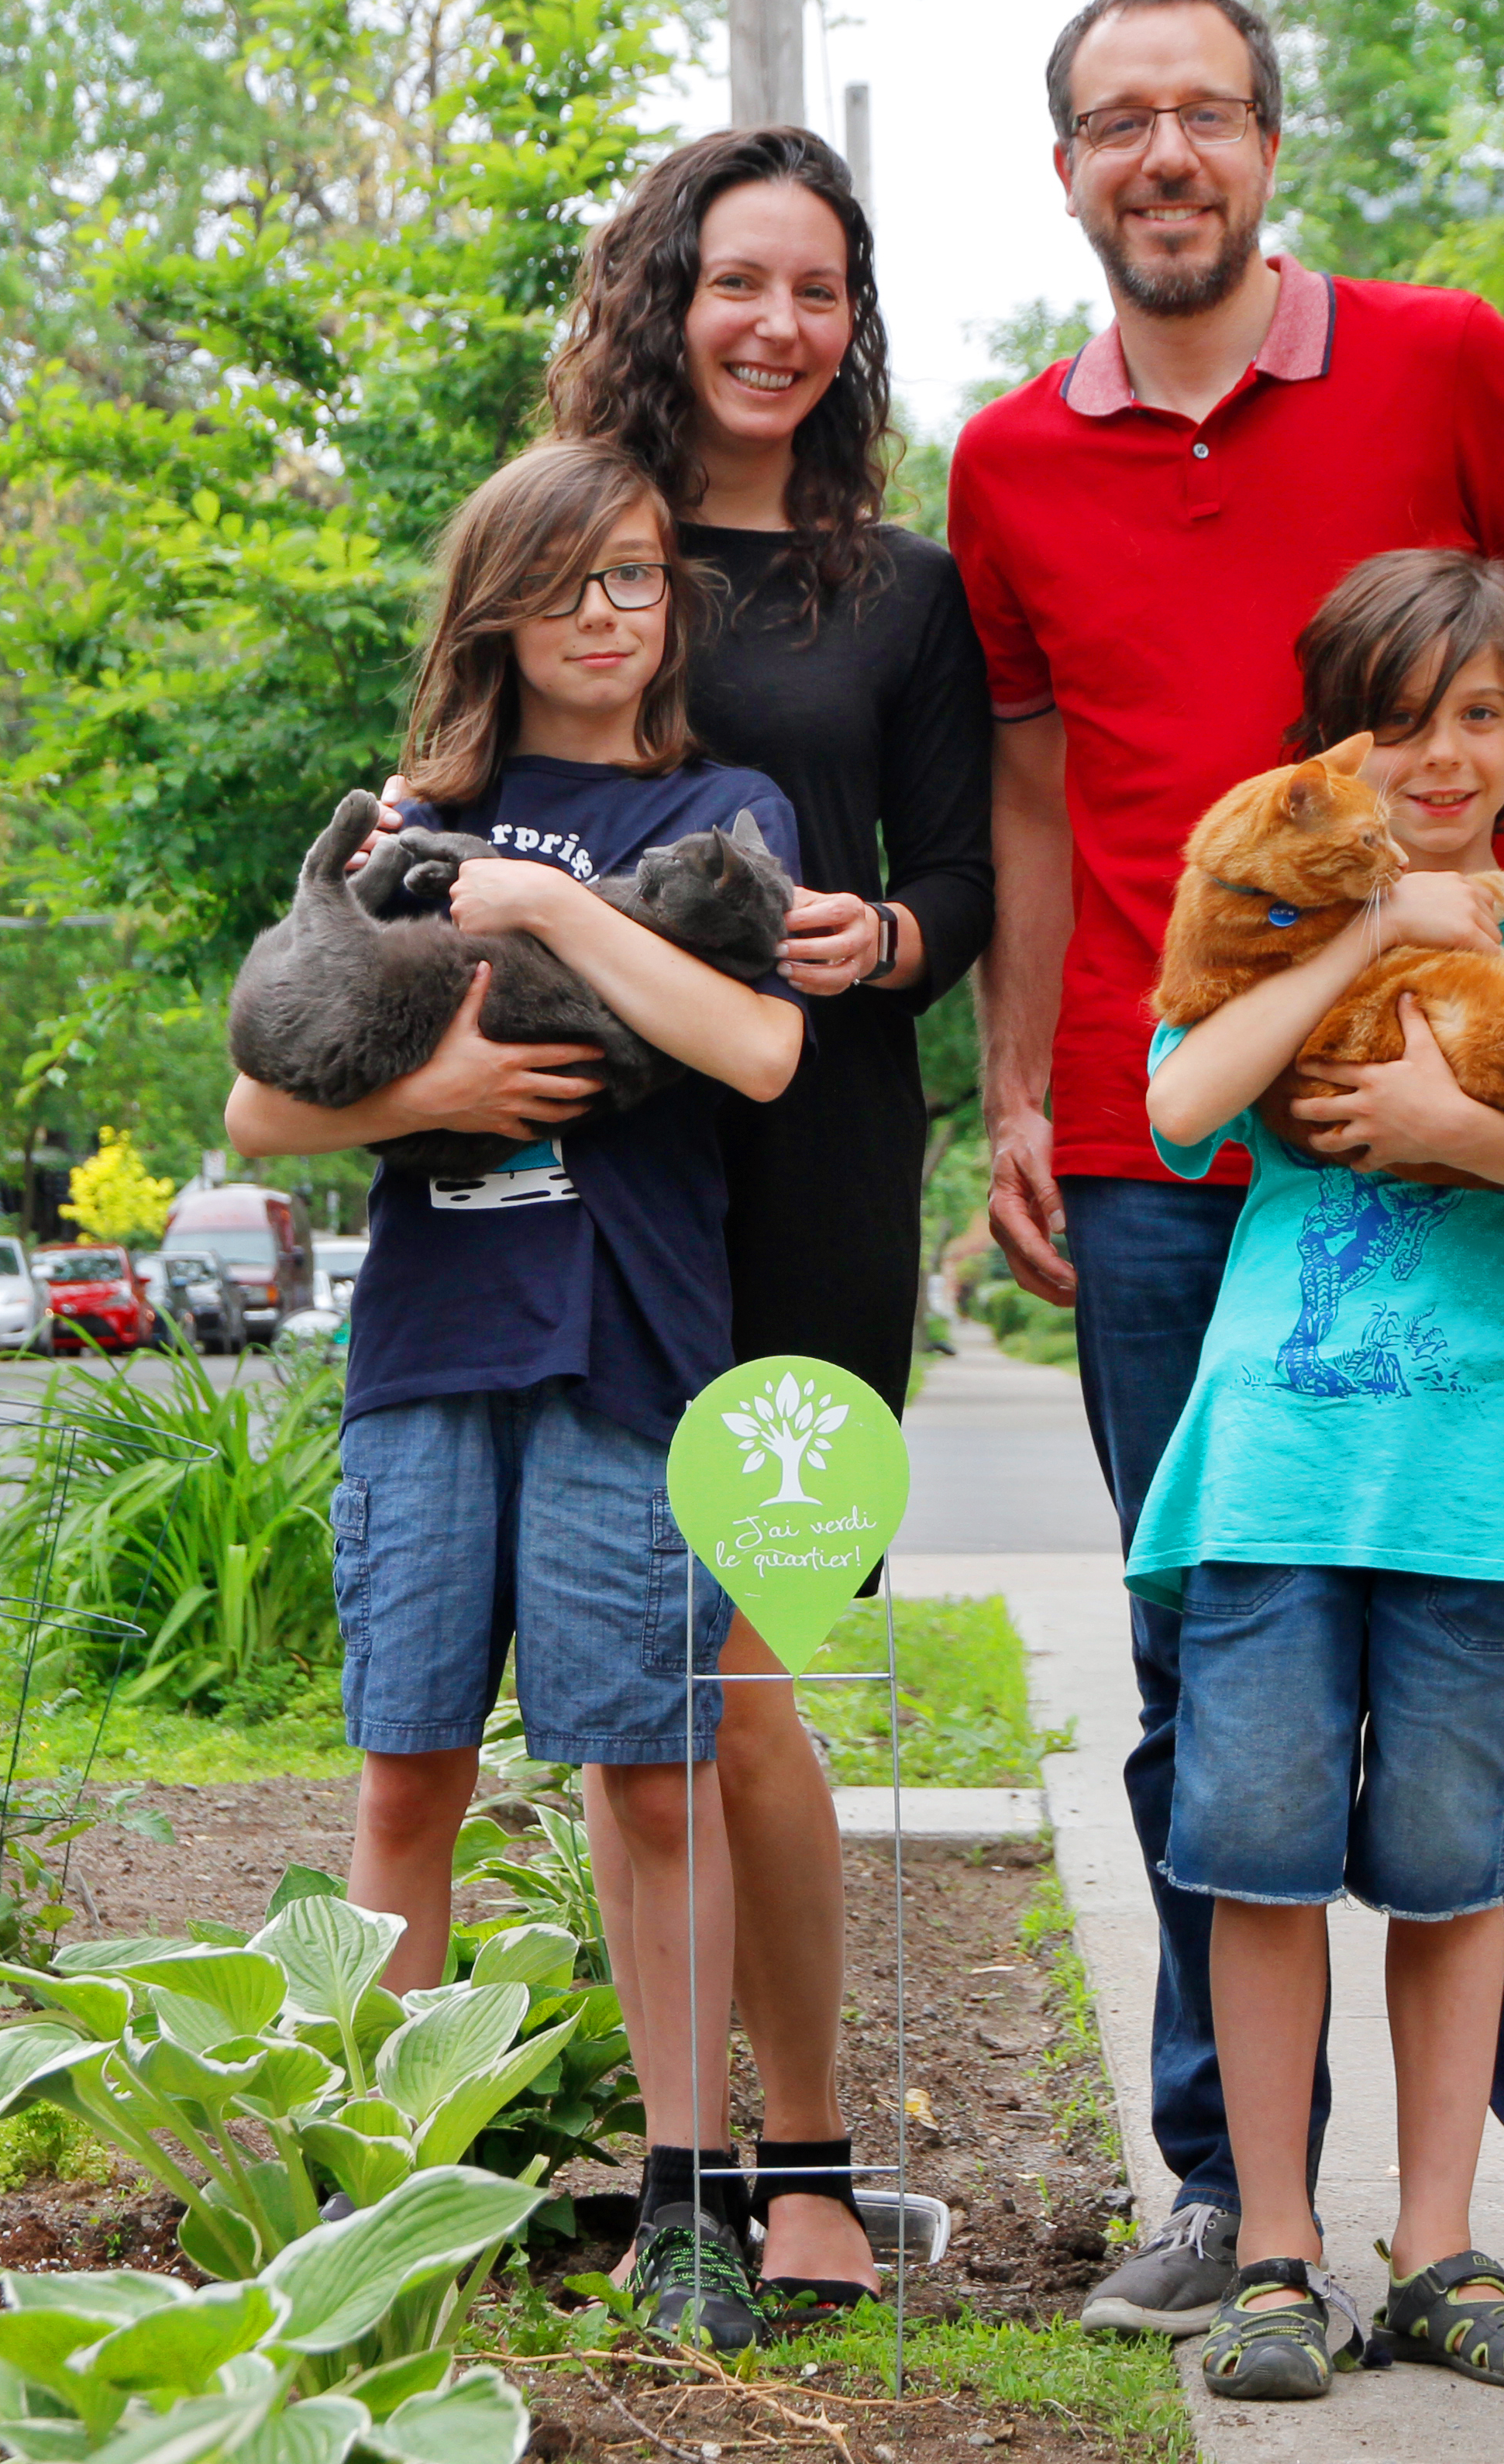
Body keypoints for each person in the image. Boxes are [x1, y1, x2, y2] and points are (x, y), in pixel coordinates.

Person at [949, 0, 1504, 2352]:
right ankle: (1238, 2201)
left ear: (1270, 144)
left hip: (1467, 1126)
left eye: (1204, 111)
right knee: (1208, 1675)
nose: (1163, 155)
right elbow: (1031, 795)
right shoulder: (1007, 466)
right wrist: (1017, 1089)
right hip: (1159, 1137)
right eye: (1118, 120)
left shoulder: (1445, 360)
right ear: (1067, 169)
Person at [224, 437, 808, 2350]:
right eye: (564, 584)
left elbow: (756, 1048)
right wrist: (442, 1095)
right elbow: (258, 1106)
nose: (606, 615)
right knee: (409, 1770)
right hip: (428, 1349)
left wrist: (548, 912)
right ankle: (388, 2204)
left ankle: (691, 2203)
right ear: (496, 610)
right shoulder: (413, 814)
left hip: (631, 1345)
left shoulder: (723, 809)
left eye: (635, 576)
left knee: (653, 1775)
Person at [1141, 551, 1504, 2400]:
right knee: (1256, 1861)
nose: (1442, 756)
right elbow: (1178, 1106)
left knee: (1459, 1874)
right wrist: (1372, 928)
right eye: (1397, 722)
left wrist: (1463, 1125)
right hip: (1277, 1480)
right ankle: (1274, 2255)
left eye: (1478, 716)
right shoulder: (1268, 924)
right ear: (1331, 750)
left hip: (1483, 1495)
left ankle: (1440, 2248)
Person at [539, 122, 996, 2309]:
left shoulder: (899, 589)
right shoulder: (585, 543)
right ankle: (680, 2167)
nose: (778, 325)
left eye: (820, 291)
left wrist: (884, 940)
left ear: (854, 322)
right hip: (605, 1171)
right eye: (740, 282)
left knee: (748, 1672)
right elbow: (467, 786)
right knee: (645, 1688)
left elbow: (965, 877)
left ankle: (803, 2159)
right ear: (668, 298)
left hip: (817, 1168)